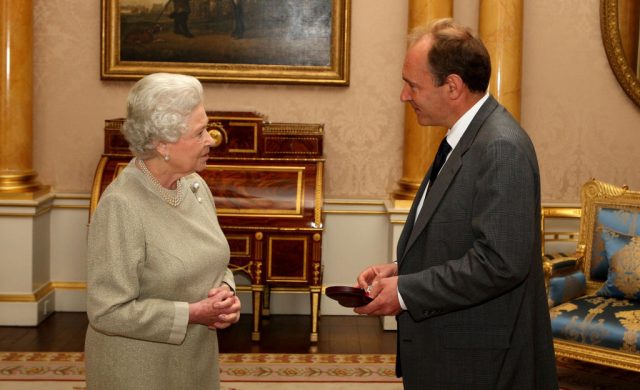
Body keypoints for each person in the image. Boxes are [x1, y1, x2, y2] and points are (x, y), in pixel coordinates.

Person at [354, 19, 558, 389]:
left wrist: (403, 292)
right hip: (453, 351)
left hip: (480, 363)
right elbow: (462, 237)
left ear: (452, 86)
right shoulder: (465, 137)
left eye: (412, 85)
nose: (404, 95)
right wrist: (402, 269)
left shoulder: (501, 147)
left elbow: (499, 263)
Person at [85, 73, 241, 390]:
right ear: (162, 143)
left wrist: (226, 294)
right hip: (138, 370)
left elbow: (214, 260)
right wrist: (192, 313)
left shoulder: (195, 186)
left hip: (195, 361)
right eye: (200, 133)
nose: (211, 139)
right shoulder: (122, 205)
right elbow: (107, 312)